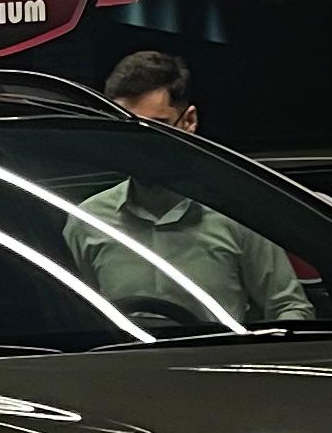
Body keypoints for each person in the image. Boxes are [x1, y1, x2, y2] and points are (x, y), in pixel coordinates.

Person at [66, 47, 307, 331]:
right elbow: (78, 321)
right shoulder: (88, 221)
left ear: (189, 121)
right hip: (127, 359)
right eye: (126, 130)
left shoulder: (237, 214)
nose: (141, 144)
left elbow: (288, 308)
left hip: (220, 358)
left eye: (157, 127)